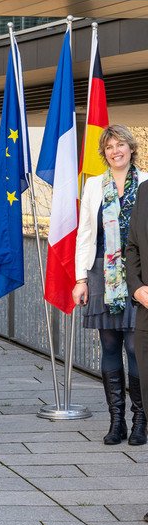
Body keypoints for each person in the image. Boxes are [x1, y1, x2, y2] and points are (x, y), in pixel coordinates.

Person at [77, 126, 147, 445]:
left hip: (137, 274)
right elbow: (87, 233)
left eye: (120, 144)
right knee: (109, 347)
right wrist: (80, 279)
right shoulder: (93, 185)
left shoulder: (146, 181)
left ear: (132, 148)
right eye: (109, 147)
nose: (115, 150)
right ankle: (116, 421)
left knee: (135, 348)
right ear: (104, 153)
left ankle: (140, 420)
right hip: (102, 273)